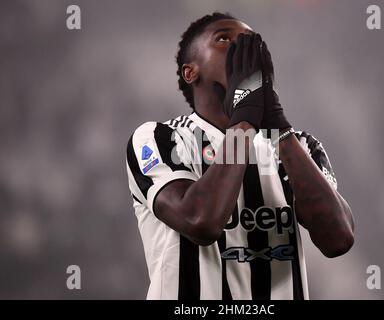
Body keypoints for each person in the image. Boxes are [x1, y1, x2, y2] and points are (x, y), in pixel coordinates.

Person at [126, 12, 354, 300]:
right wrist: (245, 119)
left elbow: (338, 239)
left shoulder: (298, 146)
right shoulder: (161, 139)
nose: (241, 50)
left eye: (249, 43)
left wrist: (278, 125)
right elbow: (200, 221)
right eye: (224, 39)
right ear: (190, 72)